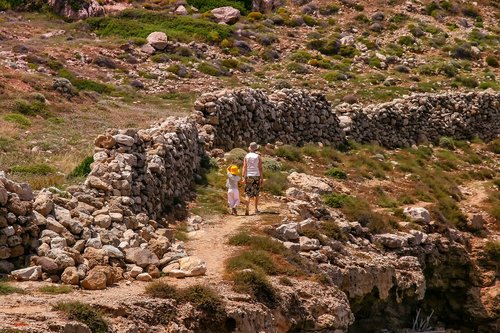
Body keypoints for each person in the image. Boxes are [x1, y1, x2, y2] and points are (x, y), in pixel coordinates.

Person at [242, 142, 263, 215]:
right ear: (256, 148)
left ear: (250, 148)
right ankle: (256, 209)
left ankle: (247, 208)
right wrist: (262, 178)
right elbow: (260, 168)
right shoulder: (258, 156)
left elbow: (244, 166)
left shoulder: (246, 156)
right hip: (256, 176)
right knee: (256, 193)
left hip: (248, 175)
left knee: (248, 193)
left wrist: (243, 176)